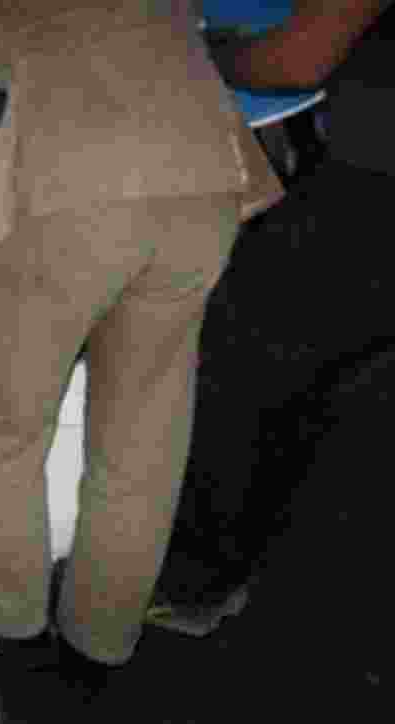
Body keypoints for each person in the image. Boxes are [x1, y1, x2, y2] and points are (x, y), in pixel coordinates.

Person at [0, 1, 284, 718]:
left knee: (0, 432)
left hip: (75, 179)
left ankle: (14, 625)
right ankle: (98, 641)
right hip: (201, 179)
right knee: (142, 440)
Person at [149, 0, 395, 637]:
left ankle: (194, 581)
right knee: (298, 371)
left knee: (240, 350)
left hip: (374, 195)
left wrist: (203, 54)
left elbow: (294, 62)